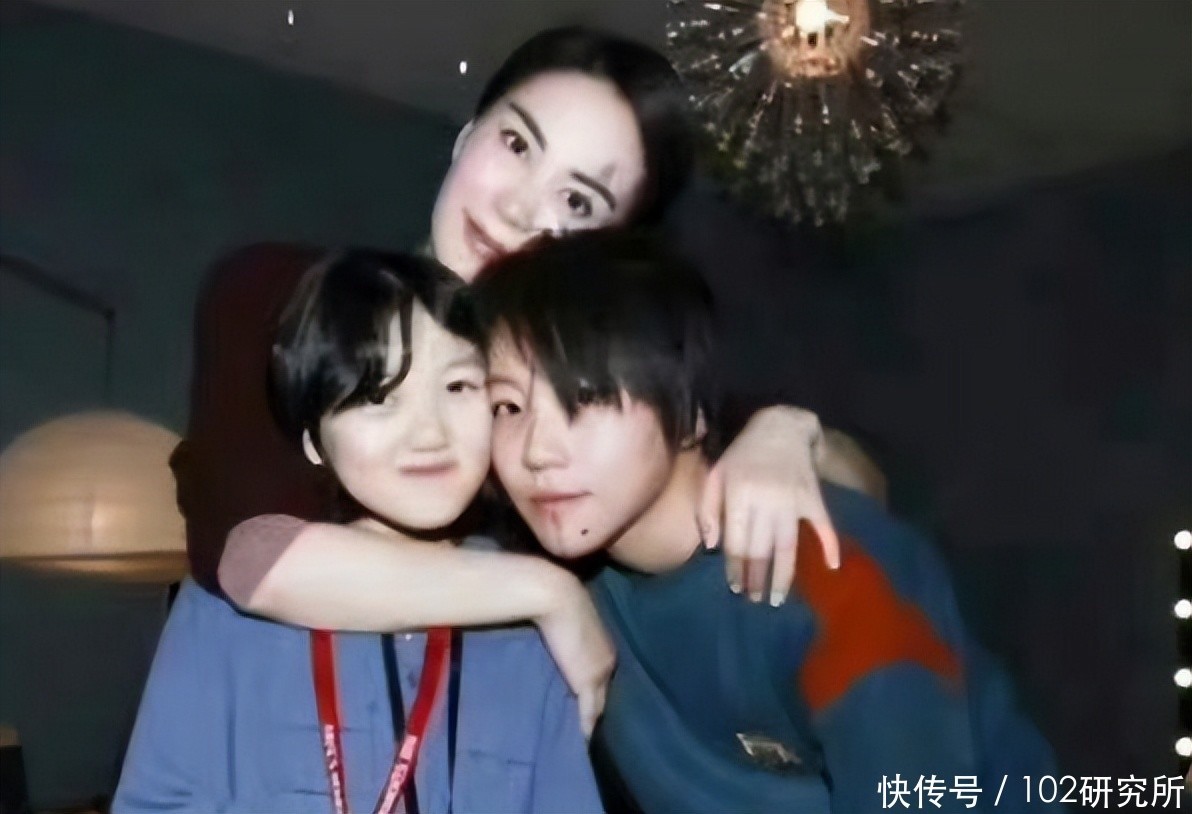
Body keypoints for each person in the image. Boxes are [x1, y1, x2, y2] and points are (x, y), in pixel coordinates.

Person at [193, 26, 876, 729]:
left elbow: (858, 483)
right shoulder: (289, 298)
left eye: (577, 202)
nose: (518, 209)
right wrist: (546, 591)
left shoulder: (592, 400)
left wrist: (785, 435)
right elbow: (256, 560)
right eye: (517, 145)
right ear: (467, 137)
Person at [469, 229, 1057, 812]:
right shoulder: (560, 586)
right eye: (508, 407)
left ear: (691, 412)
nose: (536, 451)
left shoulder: (824, 569)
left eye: (587, 397)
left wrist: (795, 431)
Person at [115, 250, 603, 813]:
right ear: (314, 442)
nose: (429, 434)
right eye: (377, 397)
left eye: (457, 387)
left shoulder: (529, 630)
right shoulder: (220, 616)